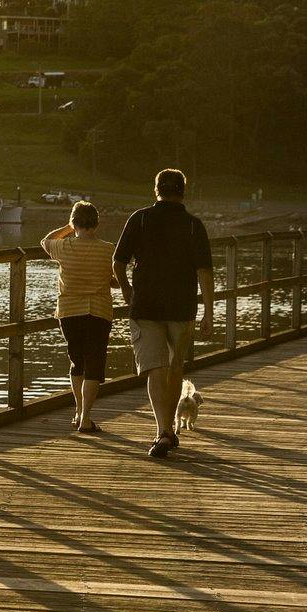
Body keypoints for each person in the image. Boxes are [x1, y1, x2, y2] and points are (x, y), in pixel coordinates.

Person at [113, 168, 214, 459]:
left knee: (155, 369)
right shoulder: (194, 225)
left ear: (156, 190)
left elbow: (118, 262)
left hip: (145, 306)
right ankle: (168, 430)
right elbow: (205, 272)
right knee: (174, 368)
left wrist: (126, 289)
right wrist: (209, 312)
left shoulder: (140, 219)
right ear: (183, 191)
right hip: (181, 308)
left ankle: (163, 431)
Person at [41, 200, 114, 434]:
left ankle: (78, 410)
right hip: (99, 311)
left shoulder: (64, 247)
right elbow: (112, 279)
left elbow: (45, 241)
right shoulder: (107, 249)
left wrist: (68, 227)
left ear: (75, 223)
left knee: (77, 361)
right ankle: (86, 417)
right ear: (96, 223)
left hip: (69, 311)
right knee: (94, 363)